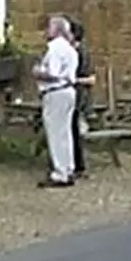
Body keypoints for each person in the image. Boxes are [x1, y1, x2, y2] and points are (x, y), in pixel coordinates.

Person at [34, 15, 80, 188]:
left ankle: (59, 173)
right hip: (69, 91)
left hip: (55, 92)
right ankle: (68, 169)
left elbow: (53, 73)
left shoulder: (55, 48)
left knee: (55, 134)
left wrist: (38, 72)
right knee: (65, 133)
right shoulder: (70, 49)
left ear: (57, 30)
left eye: (49, 27)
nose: (46, 31)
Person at [69, 19, 96, 178]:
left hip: (79, 97)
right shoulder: (72, 51)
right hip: (75, 96)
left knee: (74, 131)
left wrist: (73, 80)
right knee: (72, 131)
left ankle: (78, 166)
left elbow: (91, 79)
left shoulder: (81, 53)